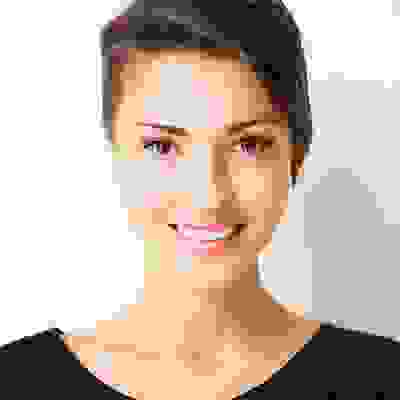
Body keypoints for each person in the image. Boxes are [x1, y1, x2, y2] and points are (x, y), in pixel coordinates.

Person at [1, 1, 400, 399]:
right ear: (115, 151)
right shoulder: (14, 382)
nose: (208, 196)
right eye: (162, 146)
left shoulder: (383, 380)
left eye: (248, 144)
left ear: (295, 156)